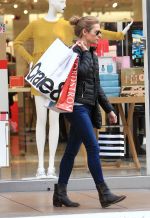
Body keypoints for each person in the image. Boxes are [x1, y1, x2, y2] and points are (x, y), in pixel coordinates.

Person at [14, 0, 133, 179]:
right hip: (41, 77)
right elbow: (17, 42)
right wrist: (31, 60)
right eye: (61, 0)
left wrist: (119, 35)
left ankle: (51, 168)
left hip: (58, 78)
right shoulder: (35, 24)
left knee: (54, 122)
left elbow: (95, 31)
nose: (64, 3)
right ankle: (40, 166)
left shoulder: (65, 26)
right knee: (41, 121)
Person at [53, 15, 126, 208]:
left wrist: (109, 109)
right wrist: (84, 53)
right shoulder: (74, 52)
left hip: (86, 106)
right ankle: (104, 193)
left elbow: (96, 85)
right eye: (96, 32)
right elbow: (81, 74)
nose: (99, 35)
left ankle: (60, 193)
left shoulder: (91, 53)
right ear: (84, 33)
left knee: (71, 151)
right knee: (93, 147)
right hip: (76, 107)